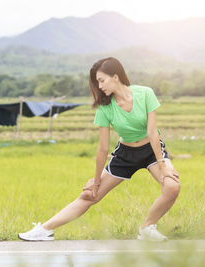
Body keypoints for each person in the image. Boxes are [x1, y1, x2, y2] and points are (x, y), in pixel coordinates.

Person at [18, 57, 180, 242]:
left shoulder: (145, 93)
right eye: (97, 82)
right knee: (89, 195)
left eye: (102, 80)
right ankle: (44, 230)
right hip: (125, 154)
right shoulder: (105, 108)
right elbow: (103, 148)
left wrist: (162, 164)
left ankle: (147, 228)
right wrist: (95, 182)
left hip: (152, 150)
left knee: (172, 186)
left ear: (116, 77)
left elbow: (152, 133)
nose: (99, 86)